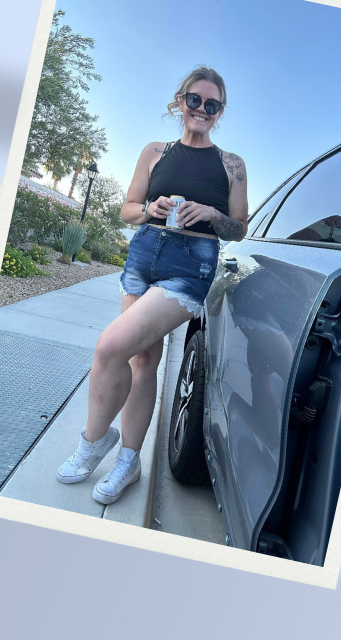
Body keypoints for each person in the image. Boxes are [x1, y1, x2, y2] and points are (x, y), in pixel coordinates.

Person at [56, 66, 249, 504]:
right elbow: (125, 210)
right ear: (181, 101)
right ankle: (129, 461)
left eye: (212, 104)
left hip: (191, 263)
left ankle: (93, 442)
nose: (202, 109)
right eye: (194, 100)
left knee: (110, 347)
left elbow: (238, 227)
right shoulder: (155, 151)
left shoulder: (231, 164)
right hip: (144, 253)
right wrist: (151, 208)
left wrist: (211, 215)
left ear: (220, 113)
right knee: (143, 358)